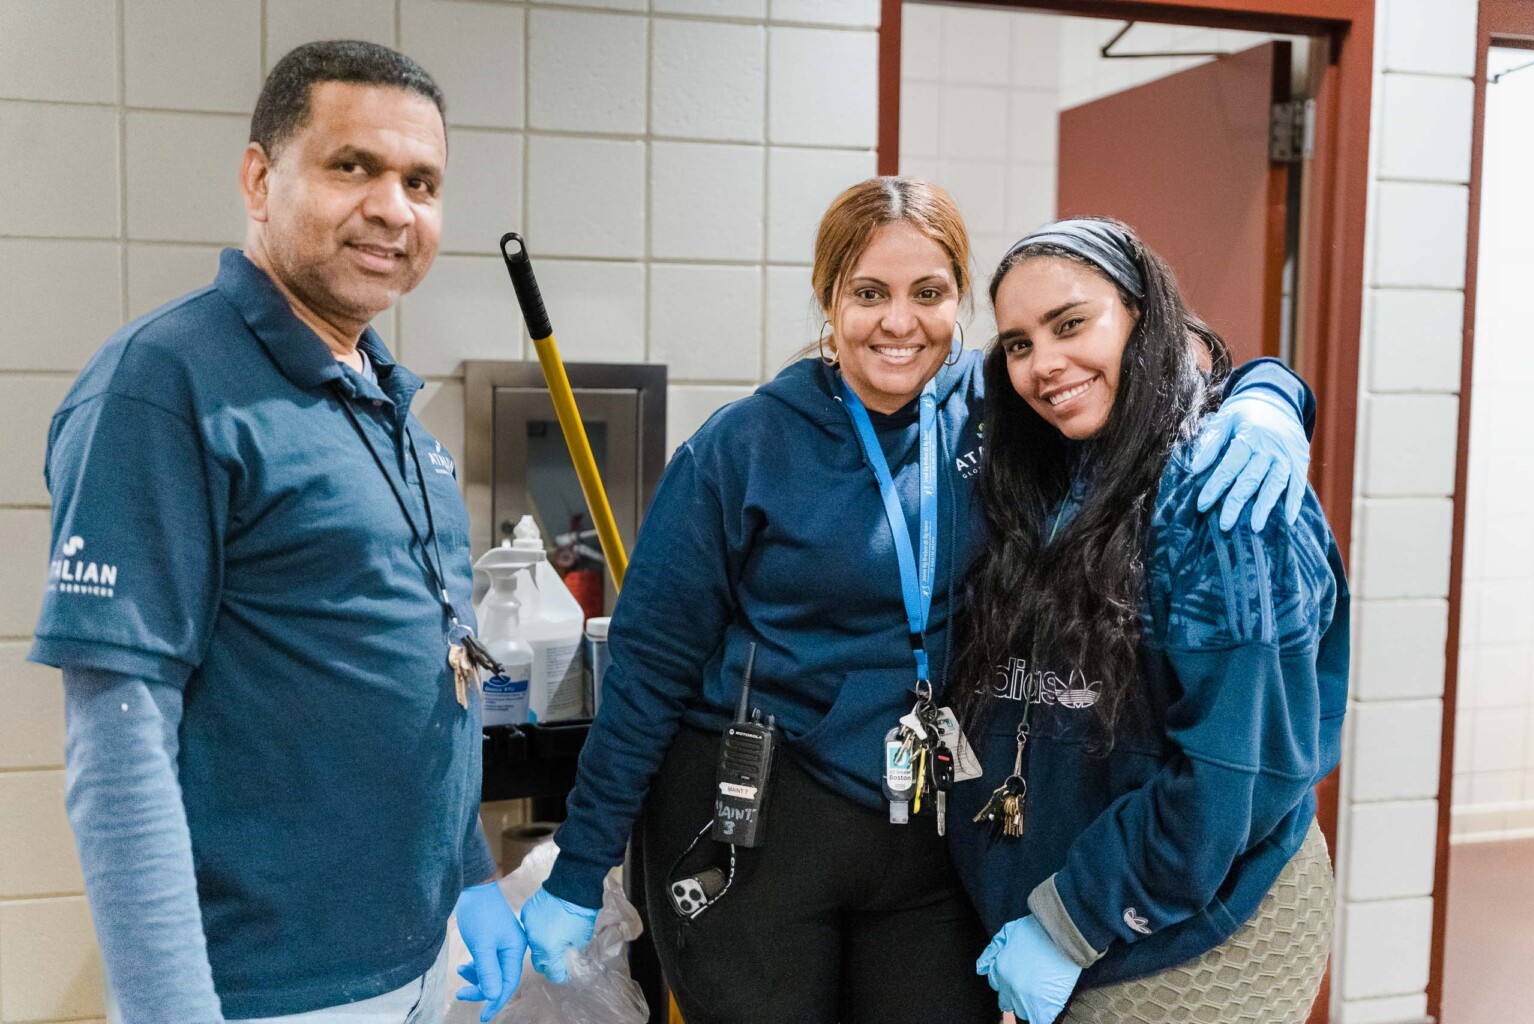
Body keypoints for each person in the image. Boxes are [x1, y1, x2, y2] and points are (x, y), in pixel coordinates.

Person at [514, 179, 1315, 1023]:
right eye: (869, 293)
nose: (900, 324)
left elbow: (1144, 360)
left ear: (959, 301)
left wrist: (1268, 396)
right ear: (829, 299)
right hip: (755, 826)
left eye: (928, 294)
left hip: (933, 826)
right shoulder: (742, 449)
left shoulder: (1002, 405)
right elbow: (647, 675)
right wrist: (577, 869)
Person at [32, 41, 524, 1024]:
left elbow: (428, 681)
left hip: (422, 961)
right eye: (355, 167)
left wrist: (472, 881)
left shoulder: (386, 409)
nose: (394, 207)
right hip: (272, 990)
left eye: (421, 181)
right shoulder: (162, 387)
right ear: (260, 179)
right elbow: (119, 739)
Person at [947, 218, 1347, 1024]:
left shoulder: (1225, 503)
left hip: (1191, 943)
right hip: (1062, 930)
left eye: (1071, 324)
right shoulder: (1054, 470)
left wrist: (1075, 923)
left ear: (1144, 317)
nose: (1044, 365)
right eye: (1019, 345)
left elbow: (1231, 778)